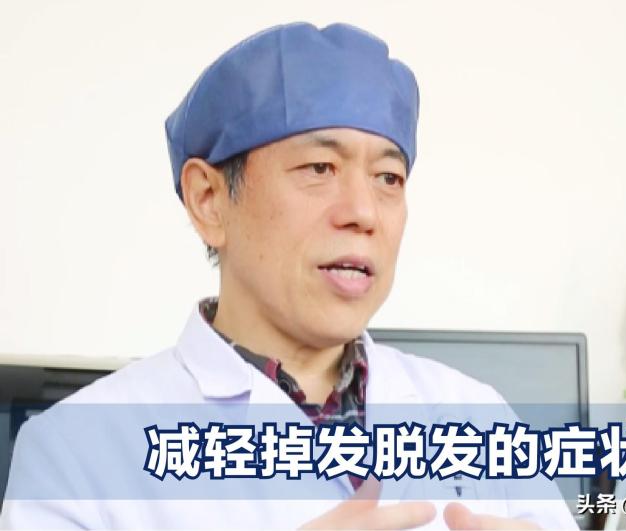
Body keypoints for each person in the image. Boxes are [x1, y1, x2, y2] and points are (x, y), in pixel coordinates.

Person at [0, 22, 577, 529]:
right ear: (208, 200)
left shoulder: (474, 414)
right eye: (319, 167)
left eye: (388, 178)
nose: (364, 212)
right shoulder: (77, 453)